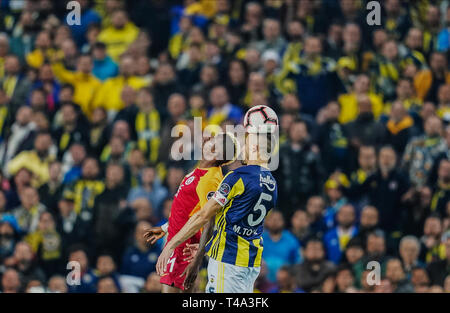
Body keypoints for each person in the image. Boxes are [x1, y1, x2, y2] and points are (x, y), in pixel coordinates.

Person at [156, 105, 278, 293]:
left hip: (227, 261)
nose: (243, 149)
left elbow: (205, 215)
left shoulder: (237, 177)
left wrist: (171, 244)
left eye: (246, 143)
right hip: (249, 261)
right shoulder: (272, 184)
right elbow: (235, 216)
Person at [145, 132, 239, 292]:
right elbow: (188, 210)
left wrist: (197, 260)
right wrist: (165, 228)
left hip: (184, 247)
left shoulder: (210, 180)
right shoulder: (197, 172)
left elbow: (209, 220)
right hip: (176, 241)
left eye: (213, 140)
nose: (207, 139)